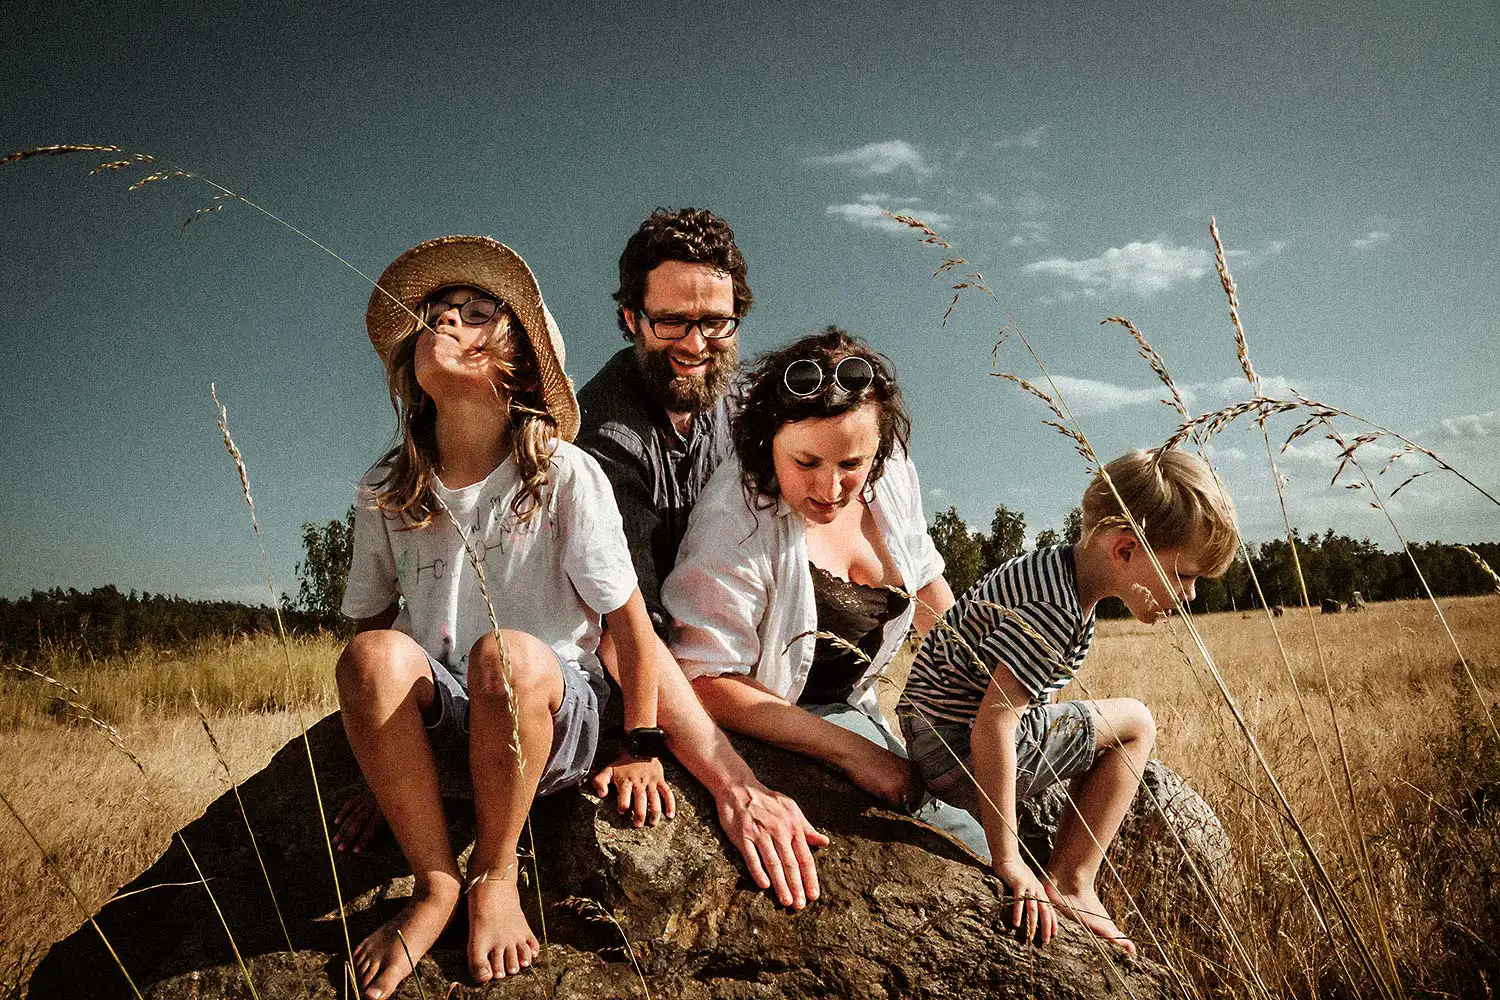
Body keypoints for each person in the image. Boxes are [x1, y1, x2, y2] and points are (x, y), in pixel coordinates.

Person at [338, 235, 671, 997]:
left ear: (520, 361)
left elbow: (629, 624)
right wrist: (385, 763)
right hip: (450, 721)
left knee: (508, 656)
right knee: (372, 658)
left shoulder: (561, 471)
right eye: (435, 313)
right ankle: (435, 883)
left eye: (476, 312)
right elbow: (371, 633)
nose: (447, 322)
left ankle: (493, 870)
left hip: (549, 714)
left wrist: (640, 744)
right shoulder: (387, 487)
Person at [661, 327, 990, 857]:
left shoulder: (894, 473)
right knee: (962, 838)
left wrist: (984, 691)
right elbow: (703, 680)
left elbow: (928, 584)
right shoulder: (735, 517)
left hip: (861, 708)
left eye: (851, 465)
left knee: (992, 800)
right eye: (806, 463)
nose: (829, 488)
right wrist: (853, 752)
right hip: (780, 713)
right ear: (770, 441)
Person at [898, 448, 1240, 955]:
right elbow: (994, 725)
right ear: (1125, 551)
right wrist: (1007, 859)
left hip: (934, 735)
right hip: (956, 754)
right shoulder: (1055, 610)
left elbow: (1026, 696)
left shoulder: (1053, 570)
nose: (1189, 594)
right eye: (1184, 575)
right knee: (1137, 723)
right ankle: (1073, 880)